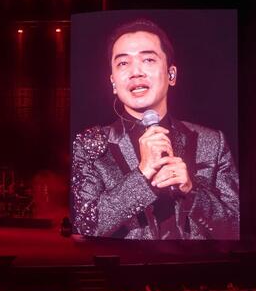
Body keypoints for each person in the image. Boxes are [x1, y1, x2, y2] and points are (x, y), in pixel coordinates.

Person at [71, 18, 239, 239]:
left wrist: (192, 191)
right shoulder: (91, 144)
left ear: (171, 74)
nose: (135, 72)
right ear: (113, 82)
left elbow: (236, 227)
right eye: (123, 63)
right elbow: (85, 227)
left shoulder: (212, 141)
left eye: (148, 59)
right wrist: (141, 176)